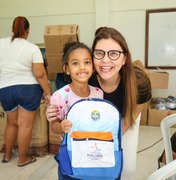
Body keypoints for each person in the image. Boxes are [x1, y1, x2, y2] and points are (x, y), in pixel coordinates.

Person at [46, 27, 152, 180]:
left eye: (114, 53)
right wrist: (53, 113)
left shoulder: (139, 83)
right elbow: (65, 102)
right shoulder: (87, 77)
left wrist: (107, 141)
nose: (105, 60)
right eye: (99, 53)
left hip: (125, 117)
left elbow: (131, 116)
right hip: (92, 124)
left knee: (126, 167)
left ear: (124, 59)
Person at [48, 41, 103, 179]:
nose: (82, 67)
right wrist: (61, 126)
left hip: (94, 151)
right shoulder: (60, 96)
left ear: (93, 66)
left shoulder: (98, 93)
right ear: (66, 69)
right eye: (75, 63)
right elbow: (54, 126)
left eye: (87, 62)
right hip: (70, 153)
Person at [0, 16, 50, 167]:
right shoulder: (32, 48)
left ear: (12, 29)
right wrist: (48, 93)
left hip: (5, 89)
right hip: (27, 89)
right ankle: (23, 159)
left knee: (11, 123)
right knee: (24, 125)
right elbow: (40, 74)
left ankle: (7, 156)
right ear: (27, 31)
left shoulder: (0, 43)